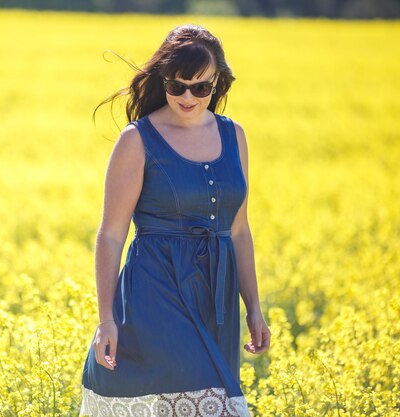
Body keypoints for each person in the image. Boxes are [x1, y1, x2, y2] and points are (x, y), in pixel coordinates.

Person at [79, 24, 271, 417]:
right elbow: (111, 235)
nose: (188, 96)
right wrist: (106, 320)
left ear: (217, 83)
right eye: (177, 85)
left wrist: (253, 306)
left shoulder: (235, 135)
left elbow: (238, 228)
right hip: (156, 291)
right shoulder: (137, 140)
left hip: (216, 297)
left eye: (200, 88)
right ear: (162, 80)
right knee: (207, 405)